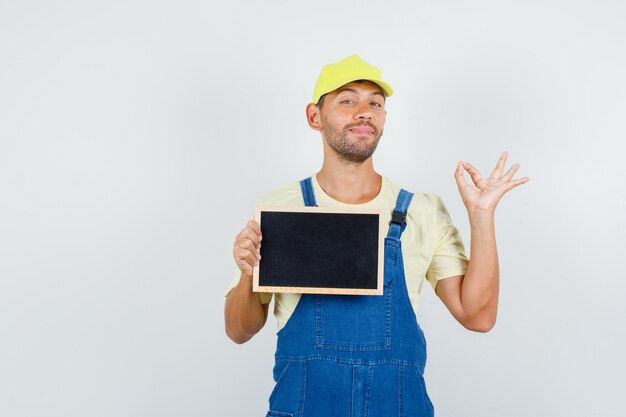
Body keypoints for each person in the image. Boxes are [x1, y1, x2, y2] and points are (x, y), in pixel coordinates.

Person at [224, 55, 529, 417]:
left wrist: (481, 217)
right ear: (314, 117)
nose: (365, 111)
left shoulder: (421, 211)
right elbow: (239, 331)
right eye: (348, 100)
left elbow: (478, 317)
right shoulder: (281, 209)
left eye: (376, 103)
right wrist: (248, 271)